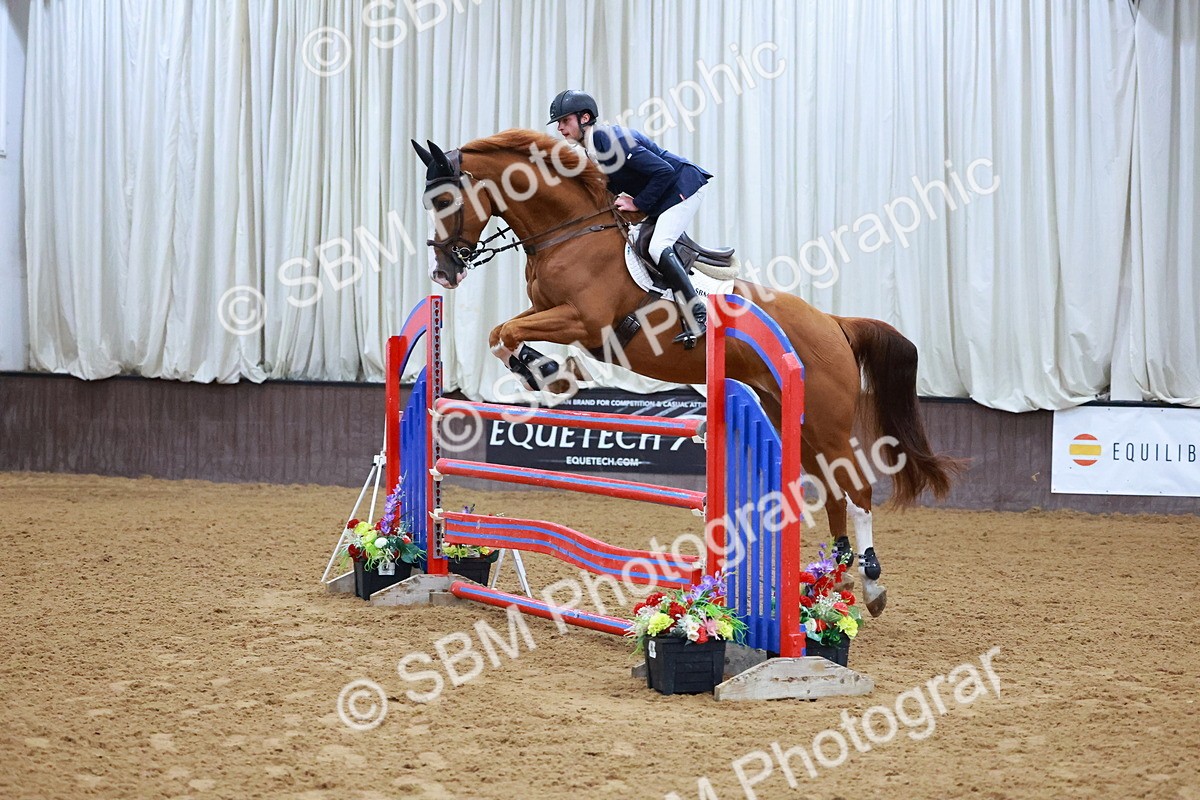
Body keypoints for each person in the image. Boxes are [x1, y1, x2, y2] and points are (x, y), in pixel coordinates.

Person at [547, 89, 711, 346]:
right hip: (664, 193)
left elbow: (664, 172)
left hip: (685, 185)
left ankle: (699, 315)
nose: (560, 128)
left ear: (585, 117)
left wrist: (638, 202)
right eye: (558, 123)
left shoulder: (611, 139)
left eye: (564, 121)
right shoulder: (592, 148)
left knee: (658, 246)